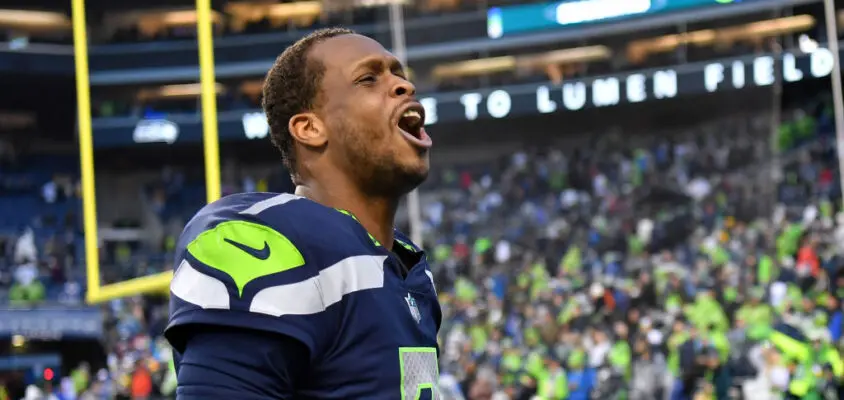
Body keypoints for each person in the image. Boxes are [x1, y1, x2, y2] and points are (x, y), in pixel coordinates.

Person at [164, 27, 440, 399]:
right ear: (309, 128)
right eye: (368, 78)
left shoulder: (409, 268)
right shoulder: (269, 242)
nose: (404, 86)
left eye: (400, 75)